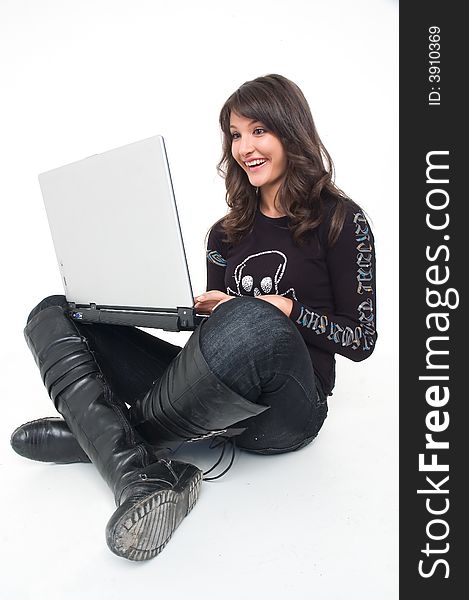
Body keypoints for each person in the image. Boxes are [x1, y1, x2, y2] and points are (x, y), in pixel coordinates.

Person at [10, 74, 377, 561]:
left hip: (289, 409)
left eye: (258, 130)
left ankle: (104, 439)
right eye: (234, 134)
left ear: (292, 132)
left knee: (251, 321)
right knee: (55, 312)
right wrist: (169, 312)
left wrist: (283, 309)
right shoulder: (224, 235)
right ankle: (140, 474)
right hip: (217, 401)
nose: (244, 146)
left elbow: (360, 338)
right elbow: (216, 344)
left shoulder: (341, 220)